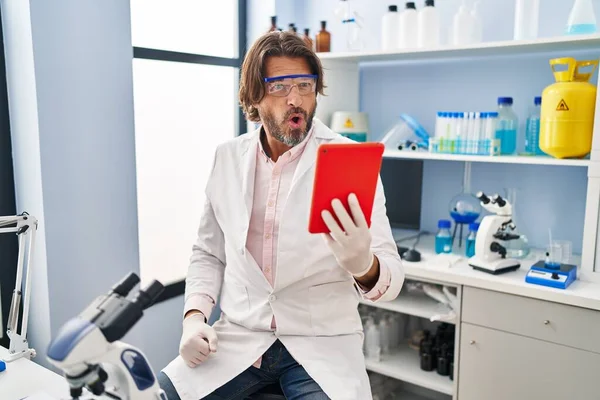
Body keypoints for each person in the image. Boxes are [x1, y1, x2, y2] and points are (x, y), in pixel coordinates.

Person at [159, 31, 404, 400]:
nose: (296, 100)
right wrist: (193, 320)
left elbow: (392, 278)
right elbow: (208, 253)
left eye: (305, 86)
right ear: (254, 96)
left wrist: (363, 266)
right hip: (240, 338)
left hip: (320, 345)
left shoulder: (350, 161)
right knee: (154, 395)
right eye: (280, 87)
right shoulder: (227, 158)